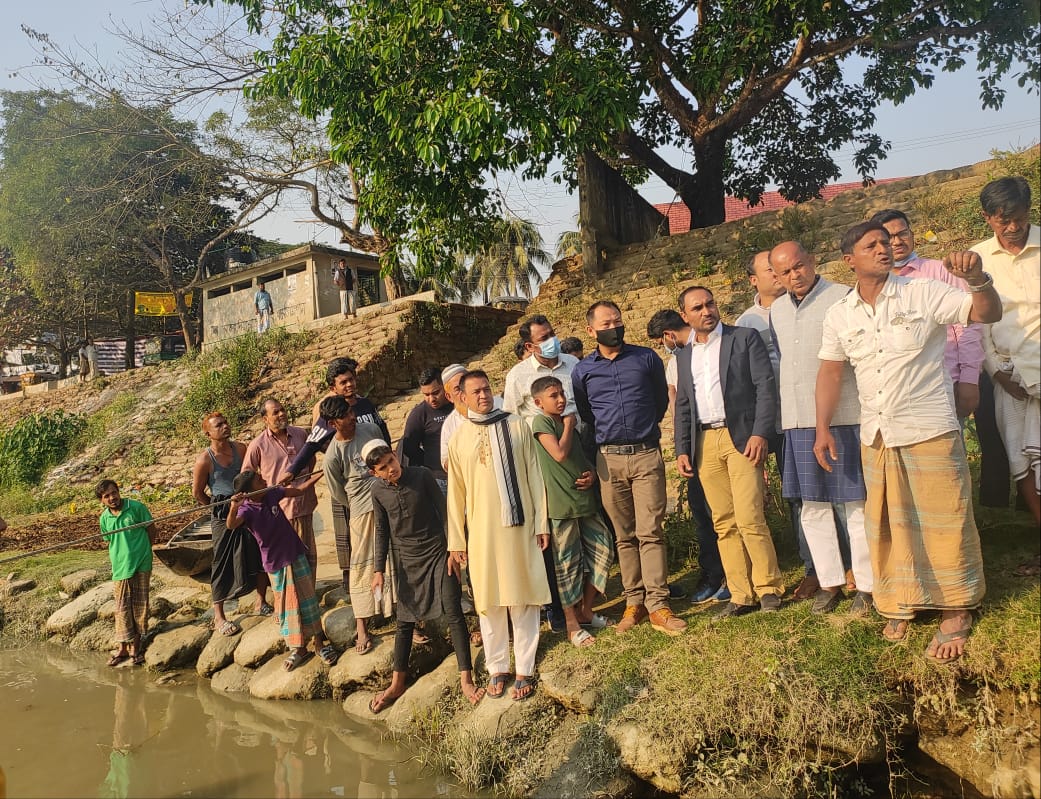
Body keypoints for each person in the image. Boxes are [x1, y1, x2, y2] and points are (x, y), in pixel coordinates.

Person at [815, 221, 1001, 662]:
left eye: (887, 242)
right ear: (850, 261)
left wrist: (977, 279)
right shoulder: (841, 313)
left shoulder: (924, 291)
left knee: (945, 518)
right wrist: (822, 428)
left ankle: (955, 608)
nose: (885, 248)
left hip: (928, 426)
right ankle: (902, 600)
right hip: (877, 432)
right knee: (887, 522)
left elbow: (985, 313)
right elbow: (830, 371)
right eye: (872, 245)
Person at [768, 241, 873, 615]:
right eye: (785, 272)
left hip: (842, 416)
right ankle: (829, 582)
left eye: (799, 266)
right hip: (797, 421)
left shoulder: (843, 297)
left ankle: (865, 583)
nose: (795, 275)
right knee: (811, 506)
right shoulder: (777, 310)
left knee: (853, 504)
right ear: (776, 277)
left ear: (812, 261)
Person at [572, 300, 686, 635]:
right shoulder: (583, 371)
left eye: (618, 321)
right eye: (606, 323)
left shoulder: (645, 358)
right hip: (609, 460)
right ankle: (633, 602)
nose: (614, 327)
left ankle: (659, 604)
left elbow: (660, 400)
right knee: (624, 535)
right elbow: (587, 414)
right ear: (591, 331)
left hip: (645, 454)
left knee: (650, 531)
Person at [674, 286, 785, 619]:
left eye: (710, 304)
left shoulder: (744, 338)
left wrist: (760, 433)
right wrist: (682, 448)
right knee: (723, 521)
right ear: (685, 316)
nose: (707, 311)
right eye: (698, 307)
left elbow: (766, 388)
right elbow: (683, 404)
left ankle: (768, 588)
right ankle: (741, 594)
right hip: (705, 443)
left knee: (750, 516)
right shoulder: (683, 354)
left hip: (741, 437)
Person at [446, 370, 551, 700]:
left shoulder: (516, 424)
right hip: (481, 533)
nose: (483, 395)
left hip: (519, 526)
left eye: (486, 389)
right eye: (475, 392)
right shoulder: (459, 439)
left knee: (522, 596)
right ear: (462, 397)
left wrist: (542, 522)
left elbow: (535, 475)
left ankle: (525, 668)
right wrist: (456, 542)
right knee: (489, 602)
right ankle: (497, 668)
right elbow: (455, 495)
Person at [365, 443, 485, 712]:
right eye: (383, 467)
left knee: (453, 611)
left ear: (395, 456)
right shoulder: (377, 490)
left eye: (391, 461)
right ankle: (398, 683)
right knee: (404, 621)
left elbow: (445, 512)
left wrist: (455, 548)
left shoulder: (421, 475)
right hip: (407, 560)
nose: (391, 468)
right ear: (375, 473)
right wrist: (378, 570)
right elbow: (381, 530)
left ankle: (466, 678)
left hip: (438, 552)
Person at [502, 314, 583, 631]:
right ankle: (557, 608)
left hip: (578, 452)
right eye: (544, 337)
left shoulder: (572, 366)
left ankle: (582, 604)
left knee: (585, 531)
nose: (552, 340)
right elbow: (510, 422)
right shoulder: (518, 376)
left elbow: (584, 408)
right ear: (529, 345)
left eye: (553, 333)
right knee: (551, 535)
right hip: (541, 464)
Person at [969, 176, 1041, 525]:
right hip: (1007, 373)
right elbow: (977, 326)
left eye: (1020, 217)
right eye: (1003, 219)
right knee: (1019, 458)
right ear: (987, 217)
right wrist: (996, 371)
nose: (1013, 227)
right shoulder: (977, 259)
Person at [645, 309, 728, 605]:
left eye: (661, 341)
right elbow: (676, 406)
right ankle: (715, 575)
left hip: (718, 436)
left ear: (667, 335)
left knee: (724, 512)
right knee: (703, 512)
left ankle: (732, 575)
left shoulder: (707, 347)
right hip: (692, 444)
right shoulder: (676, 359)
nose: (663, 346)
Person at [870, 209, 985, 418]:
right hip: (894, 394)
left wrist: (969, 377)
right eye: (889, 237)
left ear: (912, 234)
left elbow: (967, 327)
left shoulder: (939, 271)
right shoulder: (873, 285)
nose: (897, 242)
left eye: (902, 233)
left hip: (943, 386)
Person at [530, 376, 613, 647]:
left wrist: (590, 475)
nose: (561, 399)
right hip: (561, 507)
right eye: (553, 395)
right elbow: (559, 454)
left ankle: (586, 610)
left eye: (562, 393)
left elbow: (578, 456)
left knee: (603, 551)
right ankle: (571, 624)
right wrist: (568, 425)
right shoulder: (542, 423)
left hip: (585, 502)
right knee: (567, 567)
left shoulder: (569, 424)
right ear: (538, 402)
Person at [227, 469, 339, 671]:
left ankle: (319, 643)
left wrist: (323, 472)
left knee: (308, 599)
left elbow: (299, 490)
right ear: (251, 490)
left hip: (294, 553)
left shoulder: (272, 494)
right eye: (260, 481)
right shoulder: (246, 509)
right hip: (275, 563)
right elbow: (231, 524)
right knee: (289, 606)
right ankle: (298, 648)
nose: (265, 480)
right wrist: (233, 507)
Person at [320, 396, 395, 654]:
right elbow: (338, 492)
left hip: (388, 499)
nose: (352, 417)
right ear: (332, 423)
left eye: (351, 412)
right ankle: (362, 627)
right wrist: (360, 502)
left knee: (396, 559)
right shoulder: (332, 456)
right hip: (362, 512)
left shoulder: (370, 430)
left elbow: (387, 458)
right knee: (363, 566)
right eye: (345, 416)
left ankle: (407, 617)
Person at [191, 412, 271, 633]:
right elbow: (198, 493)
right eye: (219, 425)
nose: (225, 427)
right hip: (222, 511)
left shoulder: (242, 449)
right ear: (208, 433)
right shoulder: (205, 460)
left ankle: (261, 600)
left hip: (248, 506)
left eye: (226, 422)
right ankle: (219, 616)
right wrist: (219, 506)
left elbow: (252, 475)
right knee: (222, 560)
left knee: (258, 551)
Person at [242, 398, 319, 578]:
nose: (281, 414)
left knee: (308, 554)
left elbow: (311, 459)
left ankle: (310, 597)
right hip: (280, 510)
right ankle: (295, 601)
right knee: (290, 559)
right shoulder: (257, 445)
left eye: (282, 410)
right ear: (265, 419)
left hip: (305, 502)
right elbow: (246, 477)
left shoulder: (301, 434)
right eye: (275, 412)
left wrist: (305, 479)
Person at [96, 479, 156, 667]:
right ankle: (122, 648)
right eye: (107, 496)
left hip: (141, 564)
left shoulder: (136, 508)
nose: (112, 498)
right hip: (120, 567)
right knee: (122, 608)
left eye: (114, 493)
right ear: (102, 501)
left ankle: (135, 649)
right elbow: (109, 540)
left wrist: (145, 551)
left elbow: (152, 530)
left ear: (119, 492)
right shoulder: (104, 518)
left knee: (140, 605)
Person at [399, 367, 453, 491]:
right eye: (426, 395)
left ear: (445, 386)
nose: (431, 399)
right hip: (440, 480)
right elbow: (409, 447)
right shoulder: (419, 414)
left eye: (435, 393)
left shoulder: (458, 404)